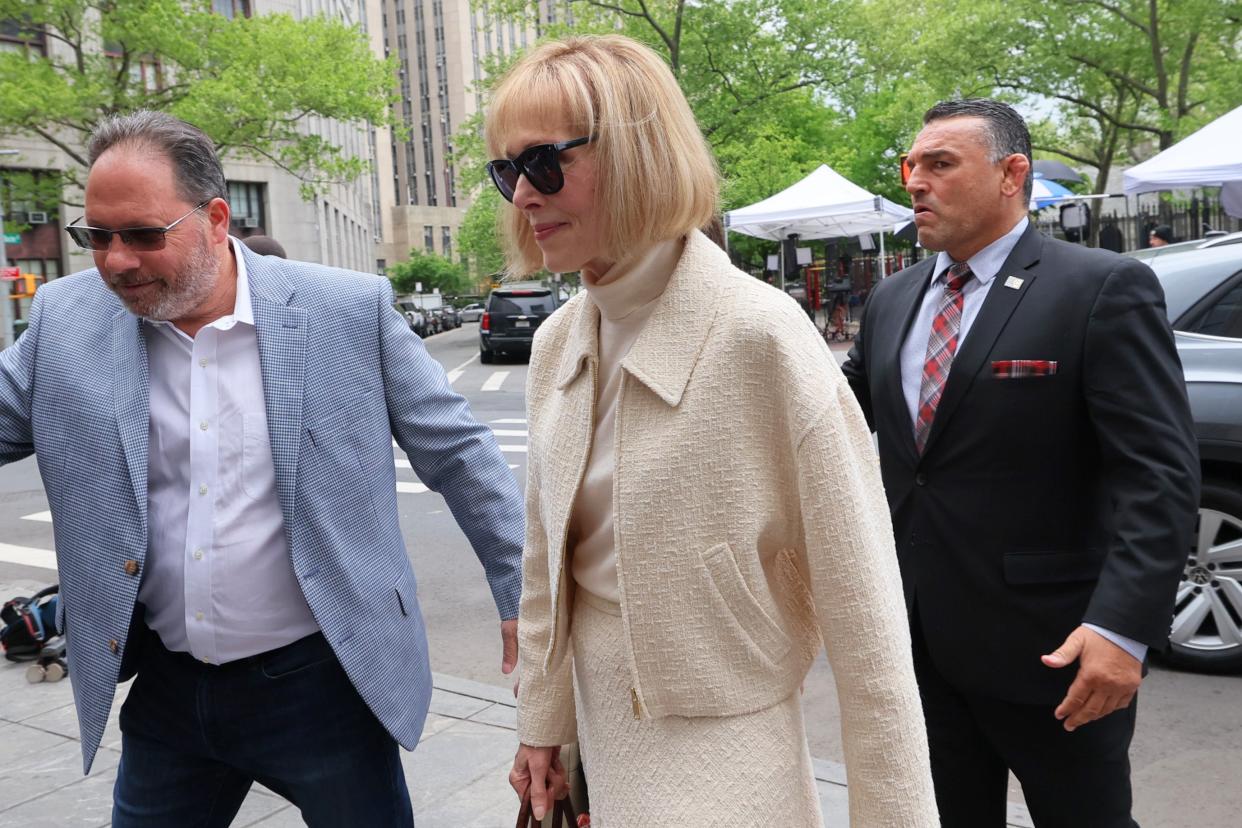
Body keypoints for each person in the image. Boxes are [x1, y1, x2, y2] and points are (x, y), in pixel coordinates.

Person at [0, 111, 524, 826]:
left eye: (144, 236)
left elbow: (460, 454)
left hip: (325, 687)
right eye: (97, 237)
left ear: (216, 220)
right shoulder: (66, 319)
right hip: (167, 695)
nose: (116, 260)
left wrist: (520, 594)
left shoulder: (346, 310)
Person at [490, 36, 938, 826]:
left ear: (637, 154)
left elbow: (868, 623)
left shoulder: (760, 338)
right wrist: (542, 727)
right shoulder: (560, 340)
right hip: (599, 741)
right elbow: (545, 562)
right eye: (508, 170)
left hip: (728, 759)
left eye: (546, 163)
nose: (523, 194)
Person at [841, 98, 1199, 826]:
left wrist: (1122, 629)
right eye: (912, 165)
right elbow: (834, 422)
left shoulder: (1098, 287)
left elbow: (1156, 476)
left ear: (1012, 174)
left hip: (1059, 655)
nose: (915, 181)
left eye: (941, 165)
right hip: (920, 650)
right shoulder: (892, 299)